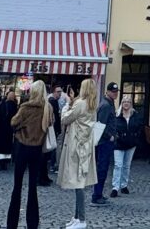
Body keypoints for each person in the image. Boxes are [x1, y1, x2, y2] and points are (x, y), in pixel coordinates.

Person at [6, 80, 51, 229]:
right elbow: (51, 124)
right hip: (37, 150)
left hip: (22, 147)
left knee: (17, 187)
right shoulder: (47, 108)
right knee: (33, 188)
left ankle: (12, 223)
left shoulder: (26, 107)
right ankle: (32, 223)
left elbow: (13, 122)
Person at [58, 78, 97, 229]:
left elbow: (65, 119)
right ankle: (76, 217)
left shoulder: (81, 103)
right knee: (78, 182)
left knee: (78, 184)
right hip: (85, 146)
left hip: (76, 146)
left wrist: (67, 104)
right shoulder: (92, 105)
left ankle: (81, 219)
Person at [91, 81, 119, 206]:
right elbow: (101, 124)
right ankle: (96, 195)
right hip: (104, 142)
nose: (115, 93)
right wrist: (110, 136)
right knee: (102, 168)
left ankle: (99, 194)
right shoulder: (106, 105)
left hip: (106, 141)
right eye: (113, 92)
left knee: (103, 168)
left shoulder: (109, 103)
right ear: (107, 92)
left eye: (116, 92)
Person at [111, 95, 142, 197]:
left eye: (128, 101)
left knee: (126, 165)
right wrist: (116, 136)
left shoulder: (135, 115)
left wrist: (136, 137)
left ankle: (124, 185)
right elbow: (113, 127)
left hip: (131, 144)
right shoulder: (117, 115)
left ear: (131, 103)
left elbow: (139, 127)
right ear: (121, 103)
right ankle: (115, 187)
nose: (126, 103)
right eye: (124, 101)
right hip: (119, 144)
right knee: (118, 165)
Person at [0, 89, 18, 171]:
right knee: (7, 146)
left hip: (1, 128)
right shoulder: (14, 106)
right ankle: (4, 163)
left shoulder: (3, 104)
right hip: (9, 129)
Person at [46, 85, 64, 179]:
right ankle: (53, 165)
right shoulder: (53, 101)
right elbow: (55, 116)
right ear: (53, 92)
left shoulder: (52, 101)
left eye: (60, 92)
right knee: (54, 146)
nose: (60, 93)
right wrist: (58, 129)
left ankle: (52, 164)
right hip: (53, 128)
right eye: (58, 92)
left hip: (53, 127)